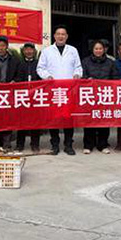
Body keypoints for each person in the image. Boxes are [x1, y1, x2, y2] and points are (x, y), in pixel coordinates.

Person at [37, 25, 82, 155]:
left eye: (63, 34)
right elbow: (40, 68)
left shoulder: (73, 50)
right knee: (54, 119)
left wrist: (77, 75)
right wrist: (47, 76)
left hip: (69, 90)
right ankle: (55, 145)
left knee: (68, 118)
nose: (61, 36)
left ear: (66, 36)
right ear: (54, 36)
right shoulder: (47, 51)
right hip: (53, 90)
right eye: (58, 34)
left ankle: (68, 145)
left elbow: (78, 67)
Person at [82, 40, 120, 154]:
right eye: (96, 48)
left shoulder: (110, 62)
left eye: (100, 49)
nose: (98, 51)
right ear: (92, 50)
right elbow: (82, 76)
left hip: (105, 95)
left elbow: (115, 77)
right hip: (90, 95)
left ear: (104, 50)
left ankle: (102, 144)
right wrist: (87, 79)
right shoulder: (85, 61)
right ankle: (88, 145)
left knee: (104, 120)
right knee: (89, 120)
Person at [15, 42, 41, 152]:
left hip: (36, 95)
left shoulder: (39, 63)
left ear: (34, 51)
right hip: (23, 96)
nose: (29, 52)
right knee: (22, 121)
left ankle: (35, 144)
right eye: (26, 50)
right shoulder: (19, 64)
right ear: (23, 51)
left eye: (31, 49)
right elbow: (16, 78)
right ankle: (20, 144)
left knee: (36, 121)